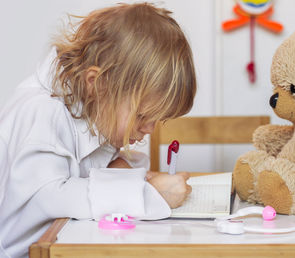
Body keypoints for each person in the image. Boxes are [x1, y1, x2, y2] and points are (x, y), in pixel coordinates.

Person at [0, 3, 196, 258]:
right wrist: (150, 194)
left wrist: (120, 166)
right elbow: (49, 197)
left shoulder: (93, 108)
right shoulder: (42, 111)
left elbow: (89, 165)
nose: (149, 129)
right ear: (97, 84)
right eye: (142, 116)